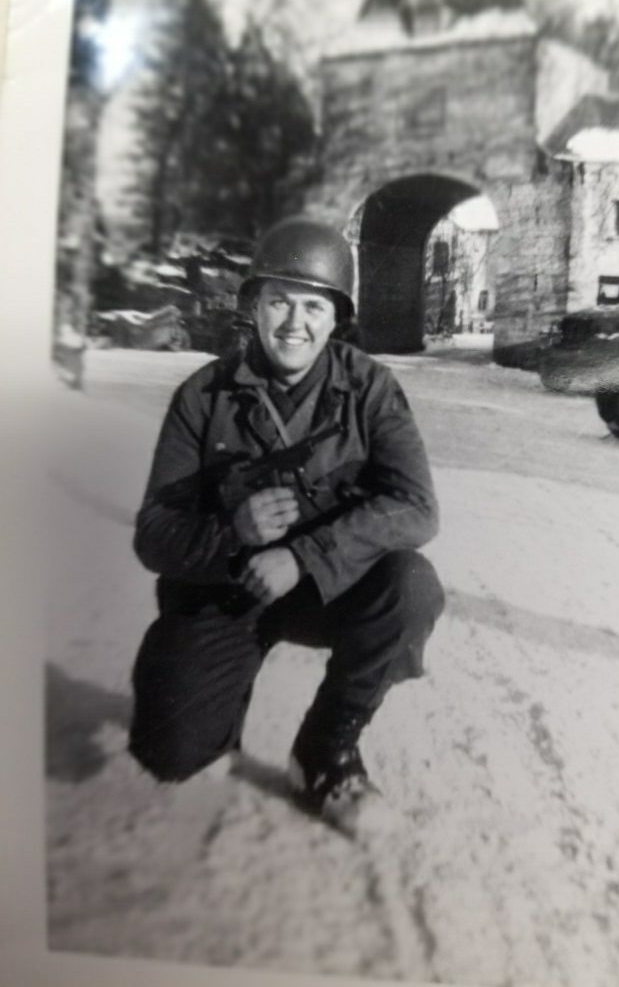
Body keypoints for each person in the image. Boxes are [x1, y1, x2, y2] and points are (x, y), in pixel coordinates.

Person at [128, 216, 445, 831]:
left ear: (335, 318)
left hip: (325, 591)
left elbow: (417, 506)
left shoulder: (371, 389)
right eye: (278, 302)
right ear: (254, 306)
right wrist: (233, 535)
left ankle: (326, 751)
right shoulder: (204, 395)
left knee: (411, 587)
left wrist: (305, 557)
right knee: (171, 756)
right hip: (225, 592)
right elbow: (154, 533)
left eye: (312, 306)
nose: (294, 323)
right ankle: (218, 704)